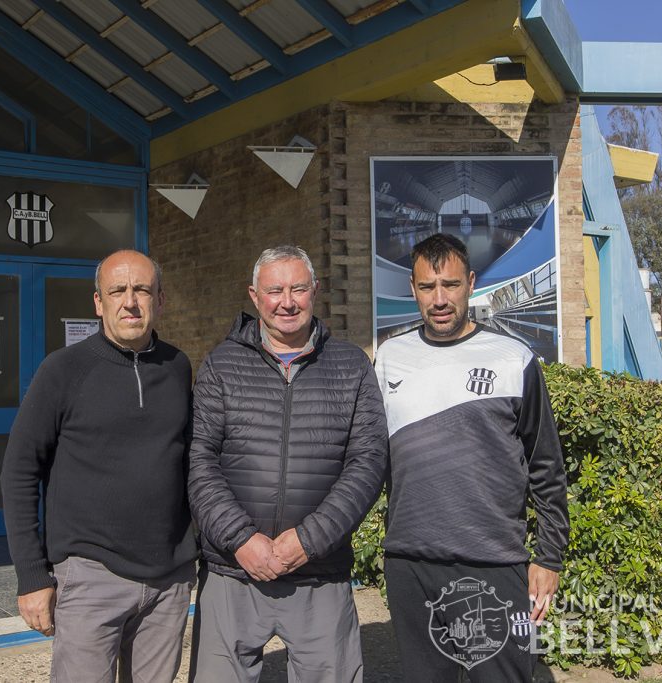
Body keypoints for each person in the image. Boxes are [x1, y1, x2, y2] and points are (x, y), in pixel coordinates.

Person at [187, 245, 388, 683]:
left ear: (315, 291)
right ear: (254, 296)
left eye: (298, 288)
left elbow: (369, 462)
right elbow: (200, 461)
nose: (287, 301)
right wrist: (241, 539)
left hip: (319, 573)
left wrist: (310, 539)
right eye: (274, 290)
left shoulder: (351, 365)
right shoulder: (221, 365)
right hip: (233, 571)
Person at [374, 233, 569, 683]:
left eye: (451, 285)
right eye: (427, 287)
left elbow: (546, 468)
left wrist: (549, 557)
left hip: (496, 565)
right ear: (412, 288)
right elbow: (368, 460)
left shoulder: (514, 359)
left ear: (471, 283)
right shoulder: (389, 359)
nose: (440, 299)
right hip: (410, 564)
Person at [1, 249, 197, 683]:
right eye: (118, 290)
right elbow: (18, 472)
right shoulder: (63, 370)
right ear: (98, 302)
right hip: (91, 577)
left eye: (142, 290)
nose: (130, 301)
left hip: (168, 581)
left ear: (160, 300)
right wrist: (32, 577)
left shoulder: (178, 367)